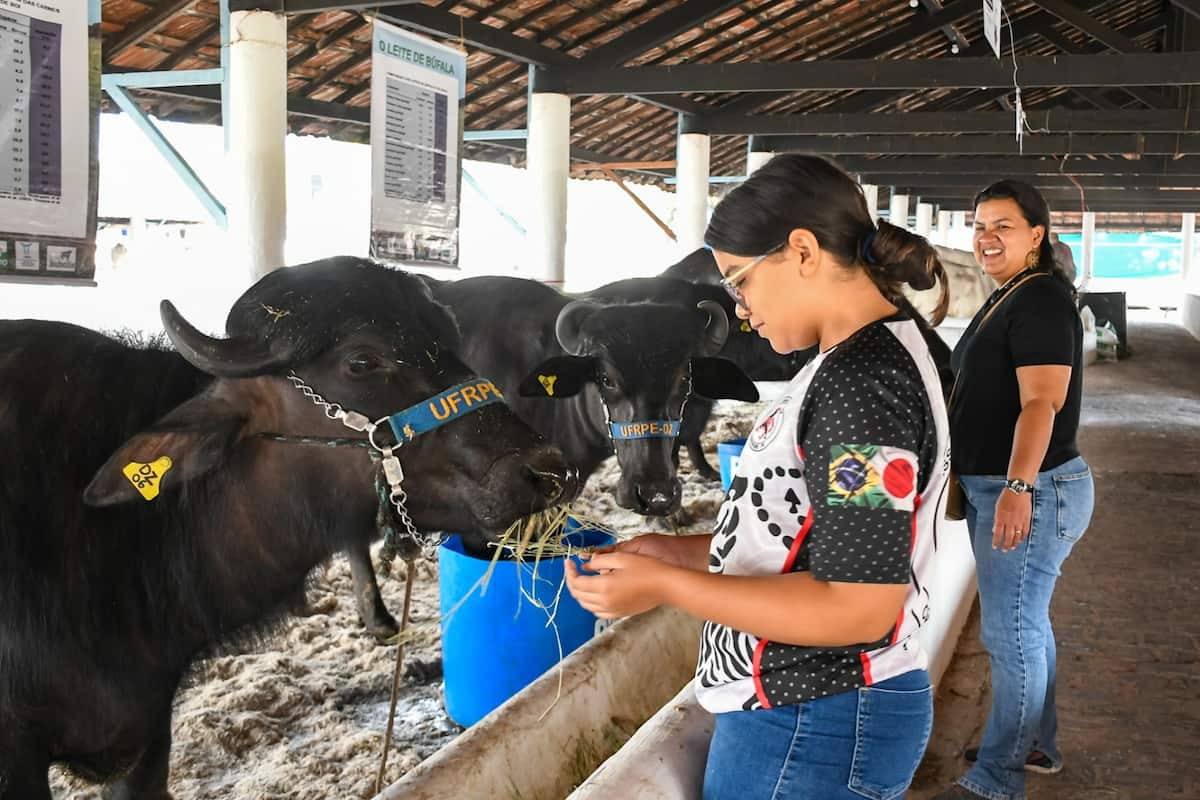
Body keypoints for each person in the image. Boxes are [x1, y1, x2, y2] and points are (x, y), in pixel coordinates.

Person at [565, 154, 952, 799]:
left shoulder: (864, 387)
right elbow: (823, 540)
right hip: (818, 711)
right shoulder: (861, 358)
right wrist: (685, 555)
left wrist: (666, 585)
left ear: (801, 251)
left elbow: (858, 606)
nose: (740, 310)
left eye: (740, 282)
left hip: (815, 716)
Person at [935, 180, 1094, 800]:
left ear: (1037, 234)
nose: (986, 237)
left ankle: (999, 777)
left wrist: (1017, 485)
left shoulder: (1042, 302)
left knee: (1011, 633)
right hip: (1006, 485)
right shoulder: (1011, 295)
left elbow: (1042, 401)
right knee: (1026, 626)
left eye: (1003, 225)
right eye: (979, 225)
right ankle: (1032, 743)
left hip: (1034, 486)